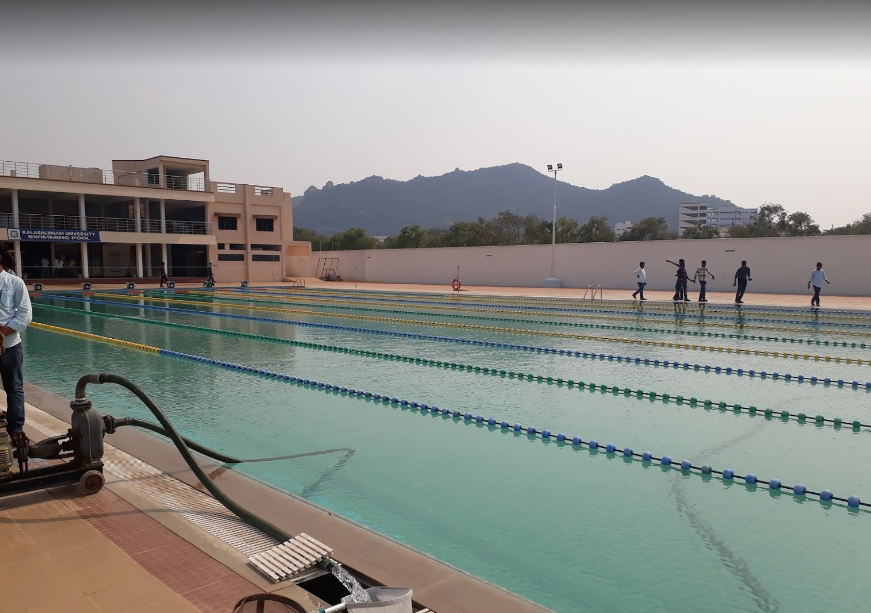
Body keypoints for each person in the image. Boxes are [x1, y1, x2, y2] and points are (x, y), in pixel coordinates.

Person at [0, 250, 33, 467]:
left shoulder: (14, 282)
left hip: (10, 346)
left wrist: (1, 334)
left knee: (14, 388)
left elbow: (24, 315)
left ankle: (16, 430)